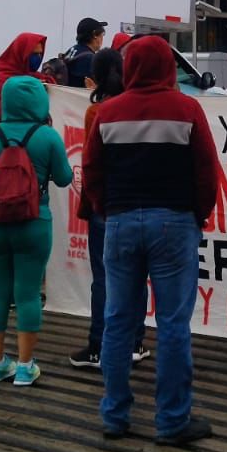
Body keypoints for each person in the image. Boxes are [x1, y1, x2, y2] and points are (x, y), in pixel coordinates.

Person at [84, 36, 224, 445]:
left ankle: (114, 415)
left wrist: (108, 211)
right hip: (175, 223)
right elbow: (206, 172)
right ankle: (172, 421)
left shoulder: (107, 113)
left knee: (118, 322)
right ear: (167, 67)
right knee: (172, 325)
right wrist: (196, 215)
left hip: (120, 222)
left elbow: (91, 172)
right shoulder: (187, 109)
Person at [0, 73, 73, 387]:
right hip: (35, 223)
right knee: (27, 295)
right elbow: (65, 178)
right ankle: (25, 367)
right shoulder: (48, 136)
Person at [71, 46, 148, 370]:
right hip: (141, 200)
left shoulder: (97, 112)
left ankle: (98, 345)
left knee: (104, 277)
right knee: (137, 276)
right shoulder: (139, 106)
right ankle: (135, 342)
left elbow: (92, 162)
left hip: (107, 203)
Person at [0, 32, 46, 117]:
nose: (38, 58)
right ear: (22, 53)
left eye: (40, 54)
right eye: (34, 54)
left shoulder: (38, 78)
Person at [63, 17, 108, 89]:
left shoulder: (71, 51)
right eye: (102, 34)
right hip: (77, 99)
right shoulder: (90, 59)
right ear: (95, 34)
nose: (102, 37)